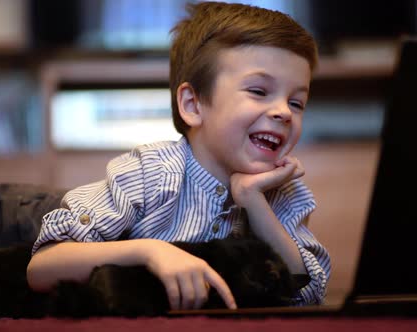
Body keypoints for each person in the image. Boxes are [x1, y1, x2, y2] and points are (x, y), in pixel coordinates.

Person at [27, 1, 330, 311]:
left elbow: (309, 295)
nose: (283, 112)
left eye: (296, 102)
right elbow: (41, 267)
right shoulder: (148, 173)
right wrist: (149, 252)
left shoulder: (287, 195)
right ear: (193, 104)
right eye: (259, 91)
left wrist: (254, 201)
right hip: (27, 219)